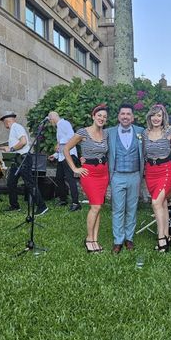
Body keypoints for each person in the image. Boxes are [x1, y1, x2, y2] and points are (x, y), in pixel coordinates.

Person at [63, 104, 109, 253]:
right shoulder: (83, 132)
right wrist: (75, 168)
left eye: (104, 117)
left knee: (99, 206)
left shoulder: (106, 134)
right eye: (99, 115)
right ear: (93, 116)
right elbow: (66, 149)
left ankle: (95, 239)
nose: (102, 118)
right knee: (95, 206)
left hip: (103, 173)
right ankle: (89, 239)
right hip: (89, 174)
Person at [107, 103, 145, 254]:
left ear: (132, 117)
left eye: (128, 114)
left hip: (135, 175)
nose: (125, 116)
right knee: (117, 209)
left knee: (132, 208)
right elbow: (96, 143)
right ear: (118, 116)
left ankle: (129, 238)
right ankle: (118, 240)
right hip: (117, 175)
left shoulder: (141, 132)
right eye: (122, 114)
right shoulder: (109, 132)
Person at [143, 104, 171, 252]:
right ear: (149, 117)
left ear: (163, 117)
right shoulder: (145, 133)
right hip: (150, 171)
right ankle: (167, 235)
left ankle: (161, 239)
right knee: (162, 204)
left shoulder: (169, 131)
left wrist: (168, 149)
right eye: (153, 115)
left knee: (156, 202)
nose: (156, 118)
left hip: (165, 170)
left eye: (159, 115)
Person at [0, 111, 48, 215]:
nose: (4, 125)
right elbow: (15, 144)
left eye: (4, 123)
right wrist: (0, 147)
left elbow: (23, 142)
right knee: (11, 182)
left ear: (6, 121)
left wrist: (11, 149)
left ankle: (42, 206)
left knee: (29, 183)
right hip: (17, 159)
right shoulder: (14, 129)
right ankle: (14, 206)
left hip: (23, 158)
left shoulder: (16, 127)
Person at [48, 111, 81, 211]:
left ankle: (76, 203)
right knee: (59, 178)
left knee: (70, 179)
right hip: (62, 157)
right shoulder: (59, 126)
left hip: (70, 156)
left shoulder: (64, 123)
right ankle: (63, 199)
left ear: (52, 118)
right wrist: (55, 155)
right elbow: (61, 147)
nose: (50, 123)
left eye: (50, 121)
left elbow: (72, 136)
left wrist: (60, 143)